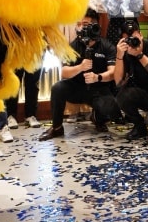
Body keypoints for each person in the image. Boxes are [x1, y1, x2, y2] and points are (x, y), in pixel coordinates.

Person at [38, 9, 117, 141]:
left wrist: (98, 77)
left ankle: (98, 118)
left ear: (95, 26)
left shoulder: (106, 46)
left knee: (111, 107)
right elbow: (63, 72)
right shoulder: (74, 45)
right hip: (77, 88)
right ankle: (57, 128)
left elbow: (112, 73)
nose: (81, 27)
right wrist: (80, 67)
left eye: (85, 24)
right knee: (58, 88)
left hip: (98, 89)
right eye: (79, 24)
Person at [0, 66, 43, 142]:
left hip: (33, 55)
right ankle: (11, 115)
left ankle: (31, 115)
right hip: (16, 55)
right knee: (14, 81)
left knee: (33, 82)